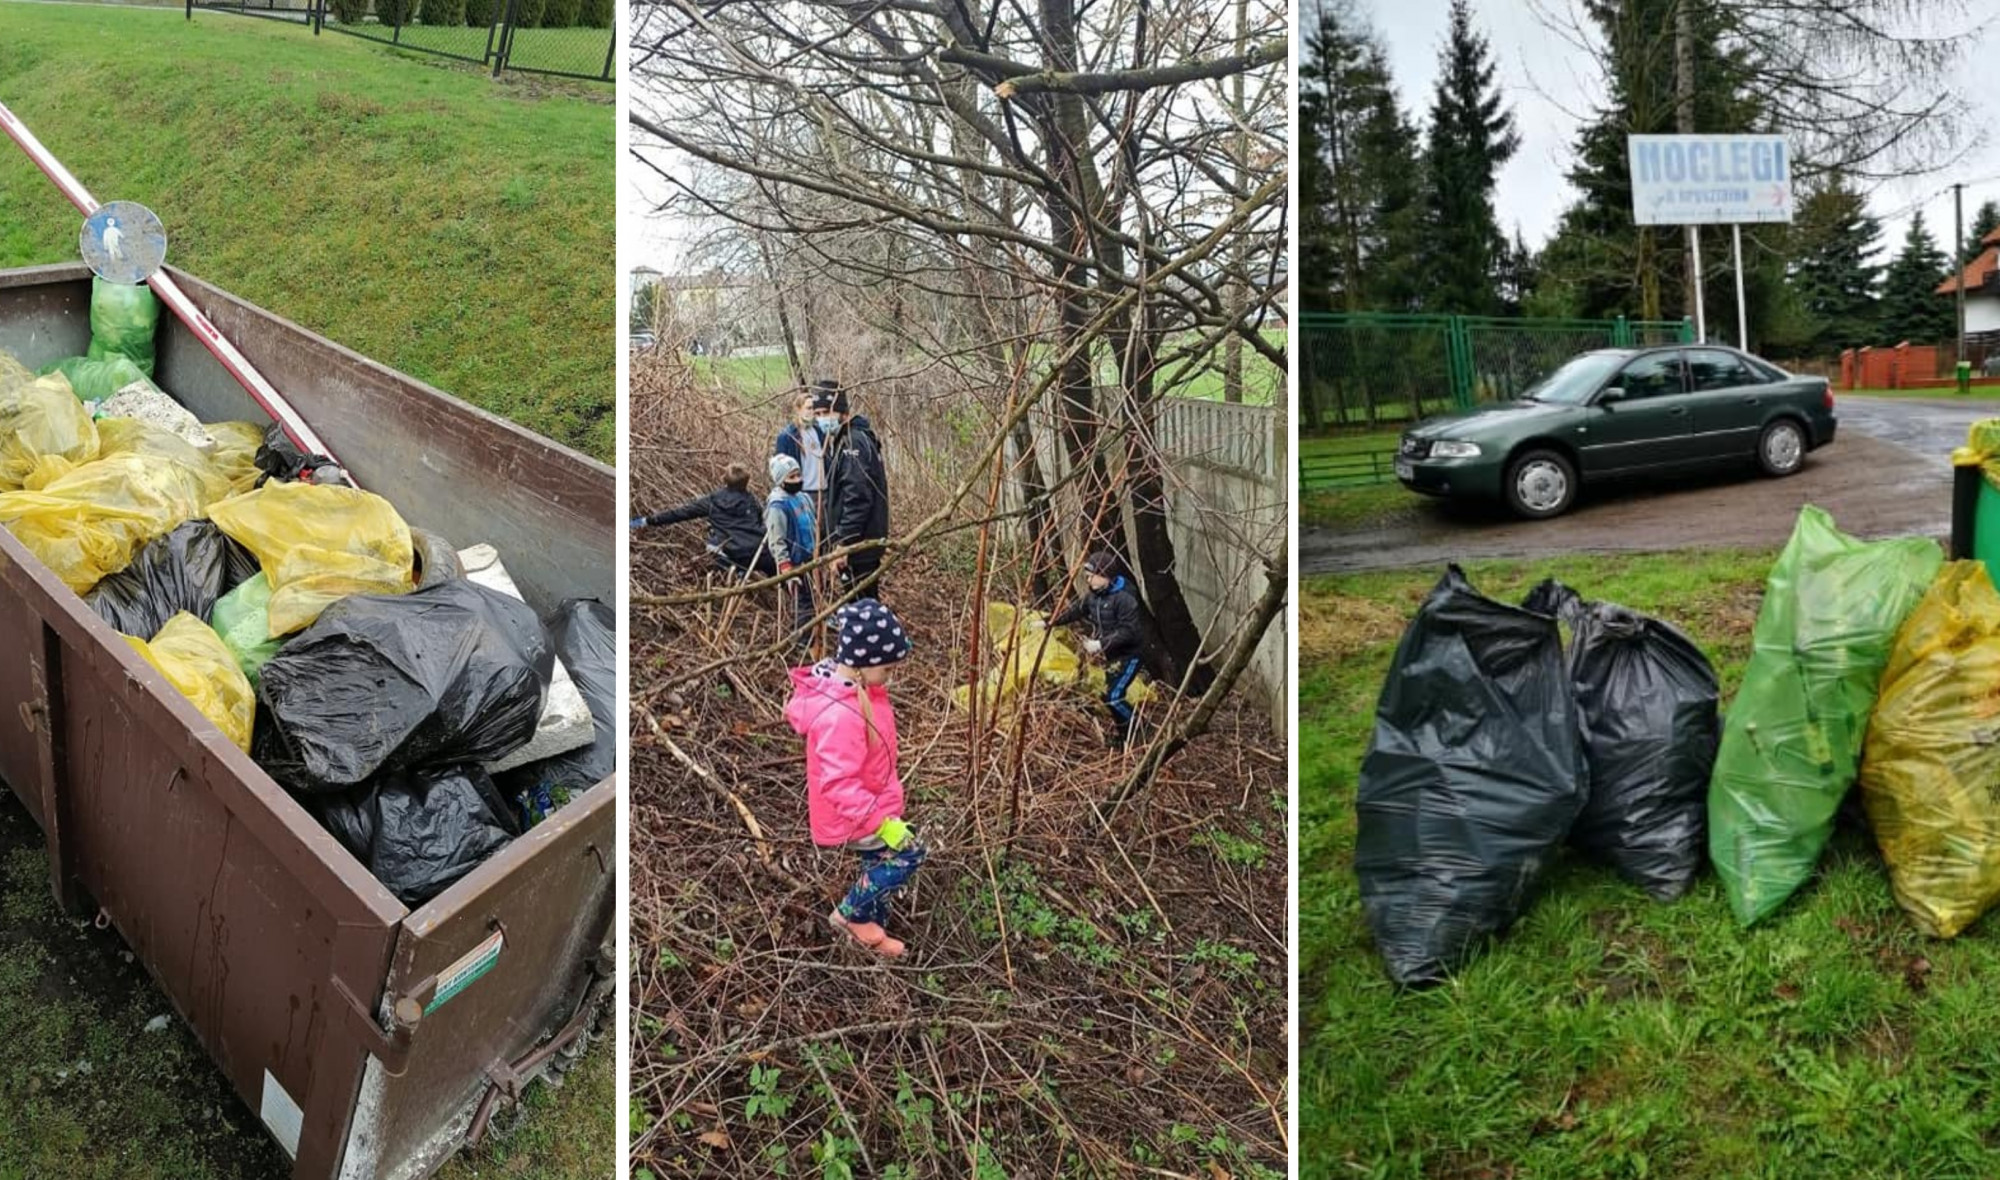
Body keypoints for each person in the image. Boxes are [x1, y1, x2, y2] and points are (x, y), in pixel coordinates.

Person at [784, 598, 924, 957]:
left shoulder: (860, 690)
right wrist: (881, 821)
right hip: (858, 814)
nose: (890, 677)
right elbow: (839, 783)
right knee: (909, 855)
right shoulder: (841, 713)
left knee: (876, 864)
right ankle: (849, 915)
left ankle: (870, 934)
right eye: (888, 669)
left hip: (872, 803)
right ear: (863, 665)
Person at [1042, 550, 1146, 748]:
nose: (1088, 580)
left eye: (1091, 576)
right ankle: (1125, 736)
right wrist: (1049, 622)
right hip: (1112, 656)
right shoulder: (1094, 596)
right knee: (1108, 697)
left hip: (1130, 655)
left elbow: (1129, 631)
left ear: (1104, 575)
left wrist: (1099, 644)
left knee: (1114, 697)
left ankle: (1141, 730)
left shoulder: (1125, 598)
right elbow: (1075, 611)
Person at [812, 380, 891, 592]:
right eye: (817, 414)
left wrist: (844, 543)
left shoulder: (852, 443)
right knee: (861, 603)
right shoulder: (846, 439)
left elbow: (857, 497)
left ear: (841, 411)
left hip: (859, 544)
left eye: (825, 412)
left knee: (861, 604)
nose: (821, 419)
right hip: (861, 542)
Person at [630, 463, 774, 577]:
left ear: (725, 480)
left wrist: (648, 521)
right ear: (746, 482)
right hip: (759, 553)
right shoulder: (752, 502)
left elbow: (681, 513)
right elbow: (761, 522)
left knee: (714, 543)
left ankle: (734, 571)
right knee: (775, 569)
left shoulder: (713, 501)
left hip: (734, 554)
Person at [765, 453, 817, 651]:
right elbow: (776, 540)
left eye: (798, 475)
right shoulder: (778, 505)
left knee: (813, 597)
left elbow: (813, 524)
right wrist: (785, 566)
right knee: (802, 602)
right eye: (792, 477)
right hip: (795, 563)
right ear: (781, 480)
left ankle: (814, 631)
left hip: (811, 557)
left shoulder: (803, 498)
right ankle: (802, 642)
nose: (798, 480)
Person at [774, 390, 828, 495]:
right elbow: (781, 468)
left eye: (814, 408)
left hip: (823, 490)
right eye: (809, 408)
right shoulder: (787, 436)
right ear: (798, 410)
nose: (812, 412)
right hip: (803, 491)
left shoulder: (820, 431)